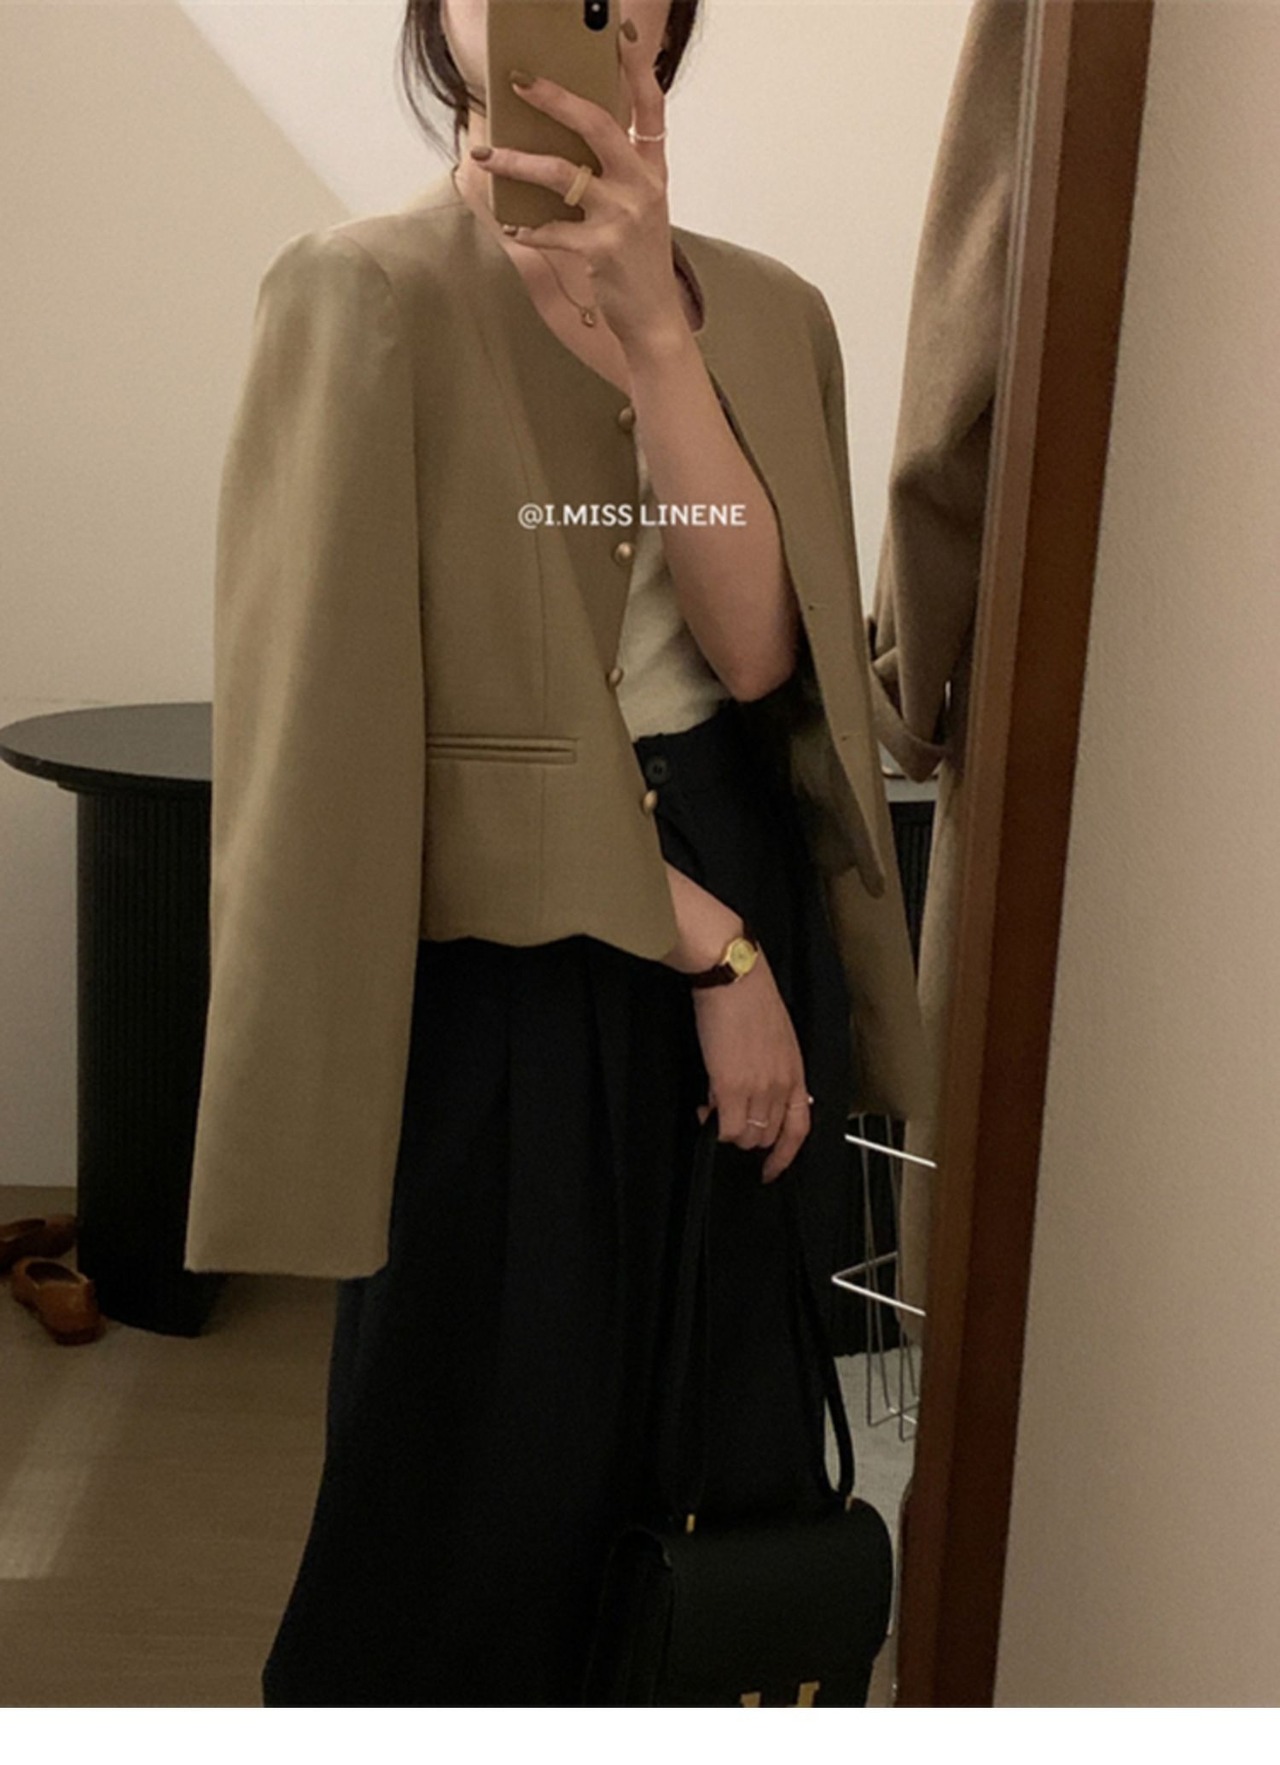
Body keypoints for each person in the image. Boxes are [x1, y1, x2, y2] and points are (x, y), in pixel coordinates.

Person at [185, 0, 930, 1706]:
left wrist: (659, 336)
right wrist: (705, 946)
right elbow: (348, 733)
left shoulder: (768, 312)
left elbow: (759, 657)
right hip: (508, 957)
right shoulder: (364, 294)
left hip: (740, 877)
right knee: (474, 1476)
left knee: (716, 1449)